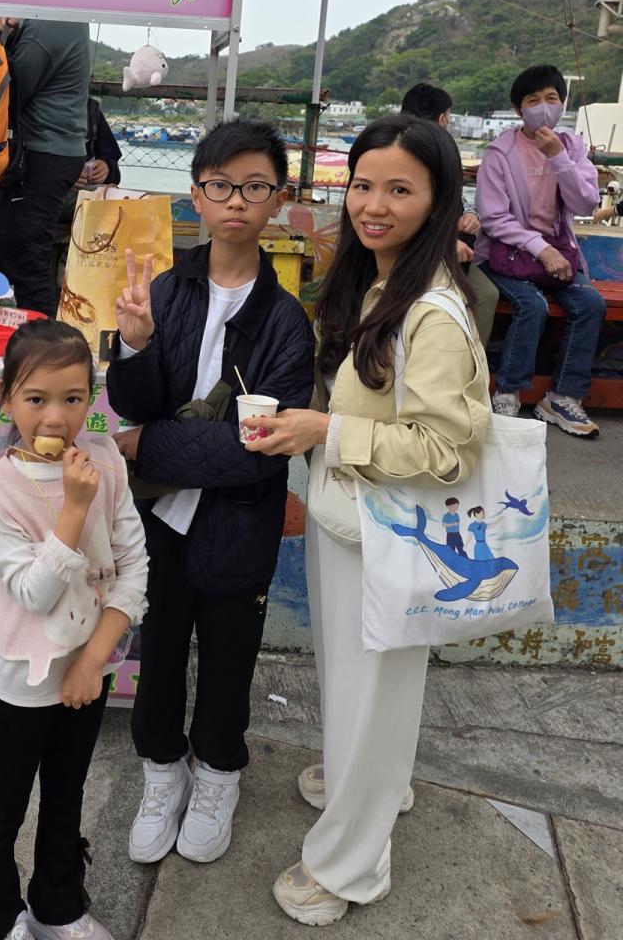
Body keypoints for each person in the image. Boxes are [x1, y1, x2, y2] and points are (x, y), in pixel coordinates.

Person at [242, 114, 490, 926]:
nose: (373, 205)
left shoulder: (433, 314)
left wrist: (326, 431)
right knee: (356, 685)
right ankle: (369, 782)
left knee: (374, 690)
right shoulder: (379, 282)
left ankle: (349, 865)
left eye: (399, 190)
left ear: (439, 202)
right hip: (351, 517)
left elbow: (448, 450)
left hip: (392, 530)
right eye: (362, 184)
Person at [106, 119, 315, 868]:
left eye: (255, 187)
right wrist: (134, 345)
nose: (236, 201)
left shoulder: (287, 323)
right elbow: (135, 402)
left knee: (230, 660)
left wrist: (145, 445)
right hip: (158, 518)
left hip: (238, 520)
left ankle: (219, 775)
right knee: (158, 651)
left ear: (279, 200)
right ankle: (161, 773)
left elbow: (257, 452)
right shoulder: (166, 290)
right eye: (220, 185)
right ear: (195, 194)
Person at [0, 319, 148, 940]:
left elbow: (134, 568)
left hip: (87, 672)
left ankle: (57, 907)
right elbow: (33, 594)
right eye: (36, 398)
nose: (56, 417)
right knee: (4, 808)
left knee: (67, 795)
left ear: (91, 398)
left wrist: (93, 662)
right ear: (7, 399)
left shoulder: (105, 462)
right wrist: (72, 509)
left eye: (73, 398)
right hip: (24, 684)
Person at [475, 65, 604, 438]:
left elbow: (586, 203)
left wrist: (558, 158)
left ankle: (563, 396)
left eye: (552, 98)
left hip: (558, 254)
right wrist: (540, 248)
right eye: (533, 100)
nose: (544, 107)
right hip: (506, 255)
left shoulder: (572, 147)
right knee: (531, 305)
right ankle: (508, 392)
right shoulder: (500, 153)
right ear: (519, 110)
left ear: (563, 104)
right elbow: (493, 218)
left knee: (590, 303)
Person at [0, 17, 91, 315]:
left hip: (44, 153)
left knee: (26, 255)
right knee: (19, 248)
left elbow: (8, 90)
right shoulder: (61, 18)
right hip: (52, 152)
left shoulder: (48, 23)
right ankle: (38, 330)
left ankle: (47, 335)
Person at [401, 82, 498, 345]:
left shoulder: (441, 149)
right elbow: (407, 210)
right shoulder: (408, 151)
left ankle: (467, 360)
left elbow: (452, 198)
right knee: (478, 296)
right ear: (442, 118)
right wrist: (443, 244)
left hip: (445, 247)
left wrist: (470, 214)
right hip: (415, 251)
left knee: (486, 294)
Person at [59, 98, 123, 225]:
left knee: (119, 204)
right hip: (43, 193)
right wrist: (61, 176)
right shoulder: (31, 104)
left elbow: (111, 156)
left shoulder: (90, 109)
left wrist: (106, 167)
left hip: (81, 194)